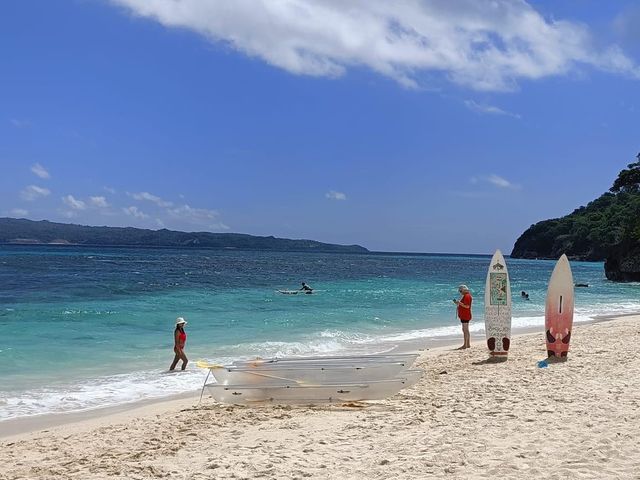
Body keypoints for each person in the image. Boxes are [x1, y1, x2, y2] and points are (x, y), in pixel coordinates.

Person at [453, 284, 472, 349]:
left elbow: (467, 306)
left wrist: (459, 303)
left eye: (461, 291)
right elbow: (465, 305)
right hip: (465, 315)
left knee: (465, 330)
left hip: (465, 315)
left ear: (464, 290)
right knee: (466, 330)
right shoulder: (466, 296)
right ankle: (468, 344)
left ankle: (465, 345)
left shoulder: (467, 296)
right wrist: (458, 303)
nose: (460, 292)